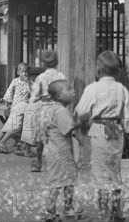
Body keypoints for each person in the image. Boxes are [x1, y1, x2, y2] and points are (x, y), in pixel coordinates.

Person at [74, 50, 129, 222]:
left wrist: (81, 124)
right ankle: (117, 211)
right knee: (114, 170)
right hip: (116, 131)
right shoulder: (121, 89)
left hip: (99, 130)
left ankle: (104, 214)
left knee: (100, 172)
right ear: (117, 71)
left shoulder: (93, 88)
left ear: (98, 69)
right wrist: (127, 127)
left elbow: (81, 111)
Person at [39, 80, 84, 222]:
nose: (73, 92)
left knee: (56, 181)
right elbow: (67, 129)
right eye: (69, 89)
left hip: (54, 152)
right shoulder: (61, 111)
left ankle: (50, 210)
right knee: (68, 181)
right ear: (58, 96)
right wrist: (82, 122)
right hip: (62, 154)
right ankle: (67, 208)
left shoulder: (53, 109)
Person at [21, 50, 66, 173]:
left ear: (44, 63)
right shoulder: (61, 77)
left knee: (40, 137)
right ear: (57, 62)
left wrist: (34, 99)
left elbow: (34, 96)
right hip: (58, 109)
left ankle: (38, 162)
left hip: (45, 108)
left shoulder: (41, 78)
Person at [0, 62, 32, 153]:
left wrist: (28, 82)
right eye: (23, 72)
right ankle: (1, 143)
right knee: (15, 126)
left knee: (8, 125)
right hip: (19, 107)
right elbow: (9, 92)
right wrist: (8, 104)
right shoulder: (15, 81)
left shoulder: (29, 83)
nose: (25, 74)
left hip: (19, 107)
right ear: (18, 72)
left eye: (26, 72)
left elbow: (32, 93)